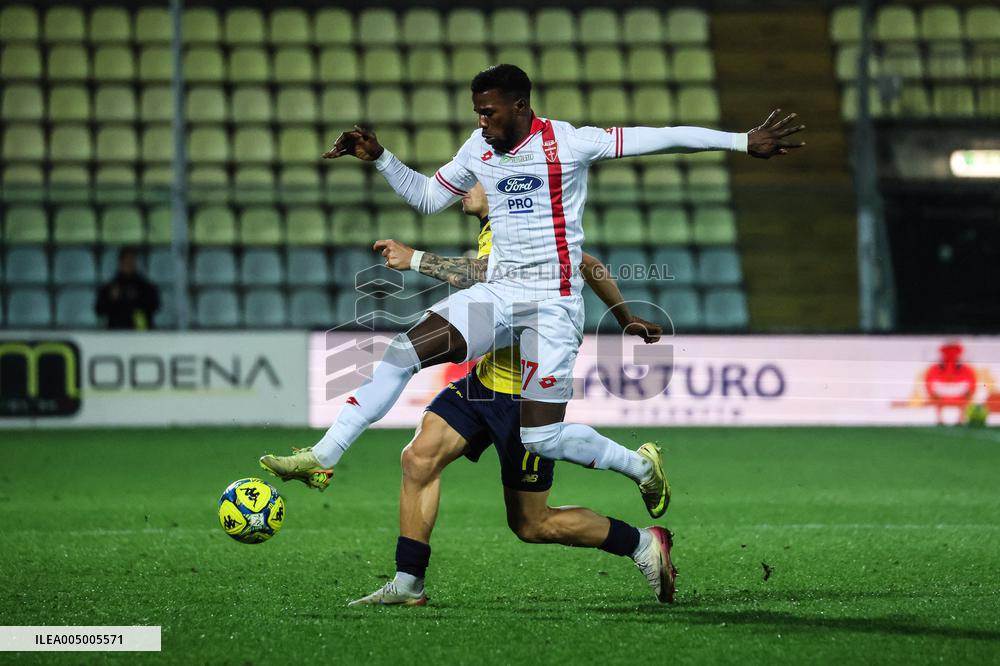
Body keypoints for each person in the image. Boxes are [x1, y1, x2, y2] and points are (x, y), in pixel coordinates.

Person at [262, 64, 803, 522]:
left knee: (541, 441)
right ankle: (323, 455)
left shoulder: (570, 142)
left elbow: (658, 136)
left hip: (554, 305)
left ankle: (641, 465)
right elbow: (428, 197)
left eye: (489, 111)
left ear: (520, 106)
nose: (481, 120)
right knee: (402, 352)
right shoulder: (479, 147)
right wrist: (381, 158)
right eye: (477, 111)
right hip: (498, 292)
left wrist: (740, 141)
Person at [294, 183, 675, 606]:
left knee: (532, 525)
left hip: (524, 400)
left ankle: (641, 540)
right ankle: (408, 582)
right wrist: (625, 317)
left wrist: (416, 259)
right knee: (419, 458)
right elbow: (587, 263)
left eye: (473, 181)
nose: (463, 189)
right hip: (484, 382)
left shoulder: (520, 228)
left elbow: (498, 270)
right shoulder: (505, 229)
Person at [95, 247, 160, 329]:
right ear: (120, 263)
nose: (129, 264)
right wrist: (112, 299)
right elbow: (99, 310)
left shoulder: (146, 287)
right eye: (126, 261)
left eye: (131, 261)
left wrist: (137, 298)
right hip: (115, 333)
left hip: (141, 332)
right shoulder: (110, 287)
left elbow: (155, 306)